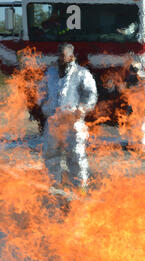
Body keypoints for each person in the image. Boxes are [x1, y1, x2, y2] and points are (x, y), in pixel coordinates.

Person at [38, 43, 97, 189]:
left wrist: (81, 110)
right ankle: (53, 185)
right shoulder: (50, 73)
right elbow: (41, 92)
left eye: (63, 55)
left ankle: (80, 187)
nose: (60, 58)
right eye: (58, 55)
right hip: (53, 121)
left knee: (76, 156)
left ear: (71, 56)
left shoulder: (82, 73)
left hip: (73, 122)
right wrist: (45, 107)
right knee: (51, 155)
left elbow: (91, 95)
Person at [117, 58, 145, 154]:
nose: (132, 72)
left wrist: (140, 109)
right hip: (135, 109)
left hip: (143, 112)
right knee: (131, 127)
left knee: (142, 129)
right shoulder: (132, 79)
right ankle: (133, 144)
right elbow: (127, 92)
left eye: (134, 70)